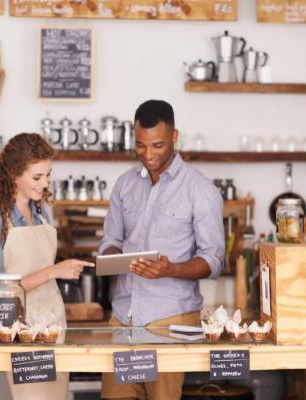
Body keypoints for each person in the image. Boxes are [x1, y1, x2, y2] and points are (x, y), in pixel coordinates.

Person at [99, 100, 225, 400]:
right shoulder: (125, 185)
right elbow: (109, 241)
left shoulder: (200, 190)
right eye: (140, 146)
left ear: (174, 136)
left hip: (170, 322)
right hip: (123, 320)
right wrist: (114, 257)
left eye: (157, 145)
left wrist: (170, 269)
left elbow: (214, 260)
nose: (148, 154)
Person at [0, 133, 93, 400]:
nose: (45, 184)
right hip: (22, 330)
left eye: (48, 175)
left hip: (53, 324)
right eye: (37, 177)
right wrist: (55, 271)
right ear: (14, 175)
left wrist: (59, 270)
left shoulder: (41, 213)